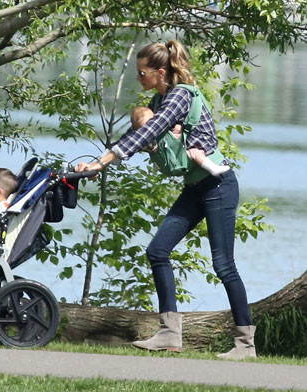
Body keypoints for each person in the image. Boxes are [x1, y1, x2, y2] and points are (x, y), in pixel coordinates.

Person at [76, 39, 256, 359]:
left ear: (160, 72)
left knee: (223, 265)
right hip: (195, 188)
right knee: (158, 250)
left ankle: (245, 344)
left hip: (219, 185)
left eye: (142, 73)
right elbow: (141, 138)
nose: (139, 79)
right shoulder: (158, 102)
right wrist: (94, 165)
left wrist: (103, 162)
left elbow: (150, 132)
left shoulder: (180, 97)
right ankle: (170, 334)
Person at [131, 106, 230, 177]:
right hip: (176, 161)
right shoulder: (148, 139)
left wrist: (178, 126)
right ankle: (212, 168)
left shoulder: (159, 131)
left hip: (170, 163)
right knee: (195, 152)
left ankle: (210, 168)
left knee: (193, 151)